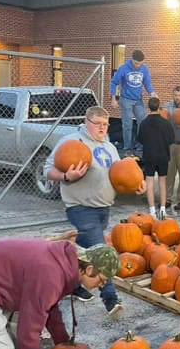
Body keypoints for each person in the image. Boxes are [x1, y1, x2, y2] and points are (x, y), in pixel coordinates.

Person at [44, 105, 145, 316]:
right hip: (81, 206)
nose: (102, 128)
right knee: (101, 252)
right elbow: (48, 169)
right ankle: (110, 298)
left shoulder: (109, 147)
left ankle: (73, 285)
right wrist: (65, 177)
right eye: (97, 123)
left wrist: (136, 185)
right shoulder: (73, 142)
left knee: (83, 252)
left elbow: (121, 174)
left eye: (105, 124)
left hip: (103, 208)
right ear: (86, 122)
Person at [110, 49, 156, 155]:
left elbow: (147, 82)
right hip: (126, 99)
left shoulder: (144, 69)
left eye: (140, 63)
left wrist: (152, 92)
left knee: (142, 121)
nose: (138, 66)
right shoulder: (124, 68)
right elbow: (114, 82)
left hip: (138, 99)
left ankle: (140, 145)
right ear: (132, 60)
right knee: (127, 124)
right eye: (136, 63)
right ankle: (127, 147)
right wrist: (113, 98)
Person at [136, 96, 175, 220]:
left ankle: (152, 211)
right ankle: (163, 210)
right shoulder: (166, 123)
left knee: (150, 183)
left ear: (149, 107)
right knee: (162, 183)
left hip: (149, 156)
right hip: (163, 156)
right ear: (159, 107)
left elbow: (140, 139)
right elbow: (171, 140)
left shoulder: (144, 123)